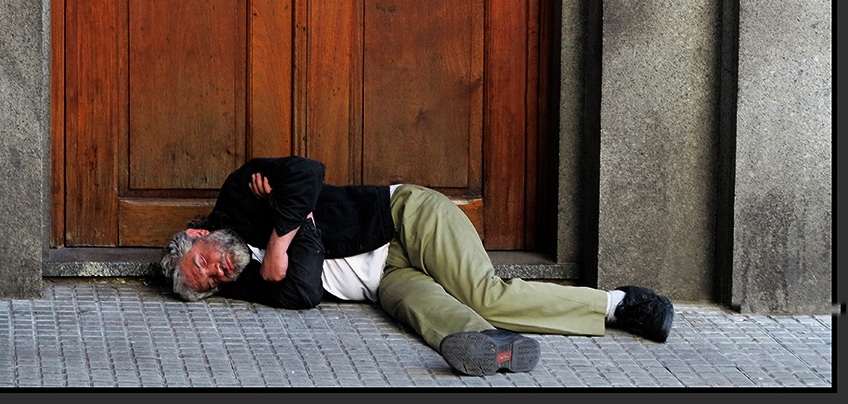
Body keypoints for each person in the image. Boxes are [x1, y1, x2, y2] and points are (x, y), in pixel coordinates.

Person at [160, 155, 674, 377]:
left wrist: (278, 240)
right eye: (206, 283)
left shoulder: (238, 194)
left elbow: (307, 172)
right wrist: (297, 234)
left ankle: (620, 304)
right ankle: (494, 347)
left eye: (202, 261)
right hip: (387, 279)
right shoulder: (242, 283)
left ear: (200, 235)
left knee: (485, 293)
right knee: (428, 315)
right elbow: (302, 293)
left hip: (404, 218)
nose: (214, 273)